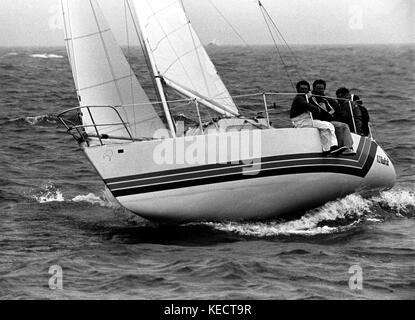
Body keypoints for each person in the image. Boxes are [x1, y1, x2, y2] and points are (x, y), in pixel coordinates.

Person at [290, 80, 344, 154]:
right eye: (302, 89)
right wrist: (317, 110)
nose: (304, 91)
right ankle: (334, 146)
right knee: (329, 125)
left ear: (308, 90)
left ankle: (326, 150)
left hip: (305, 121)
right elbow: (310, 107)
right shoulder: (299, 98)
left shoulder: (305, 98)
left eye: (305, 89)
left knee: (324, 129)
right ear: (298, 90)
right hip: (300, 122)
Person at [309, 80, 356, 155]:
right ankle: (342, 148)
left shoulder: (326, 100)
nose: (320, 90)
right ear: (313, 89)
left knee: (344, 125)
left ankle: (348, 147)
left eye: (322, 89)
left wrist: (334, 116)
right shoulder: (311, 99)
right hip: (321, 121)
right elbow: (319, 112)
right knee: (341, 126)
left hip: (329, 120)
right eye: (318, 88)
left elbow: (335, 111)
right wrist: (330, 116)